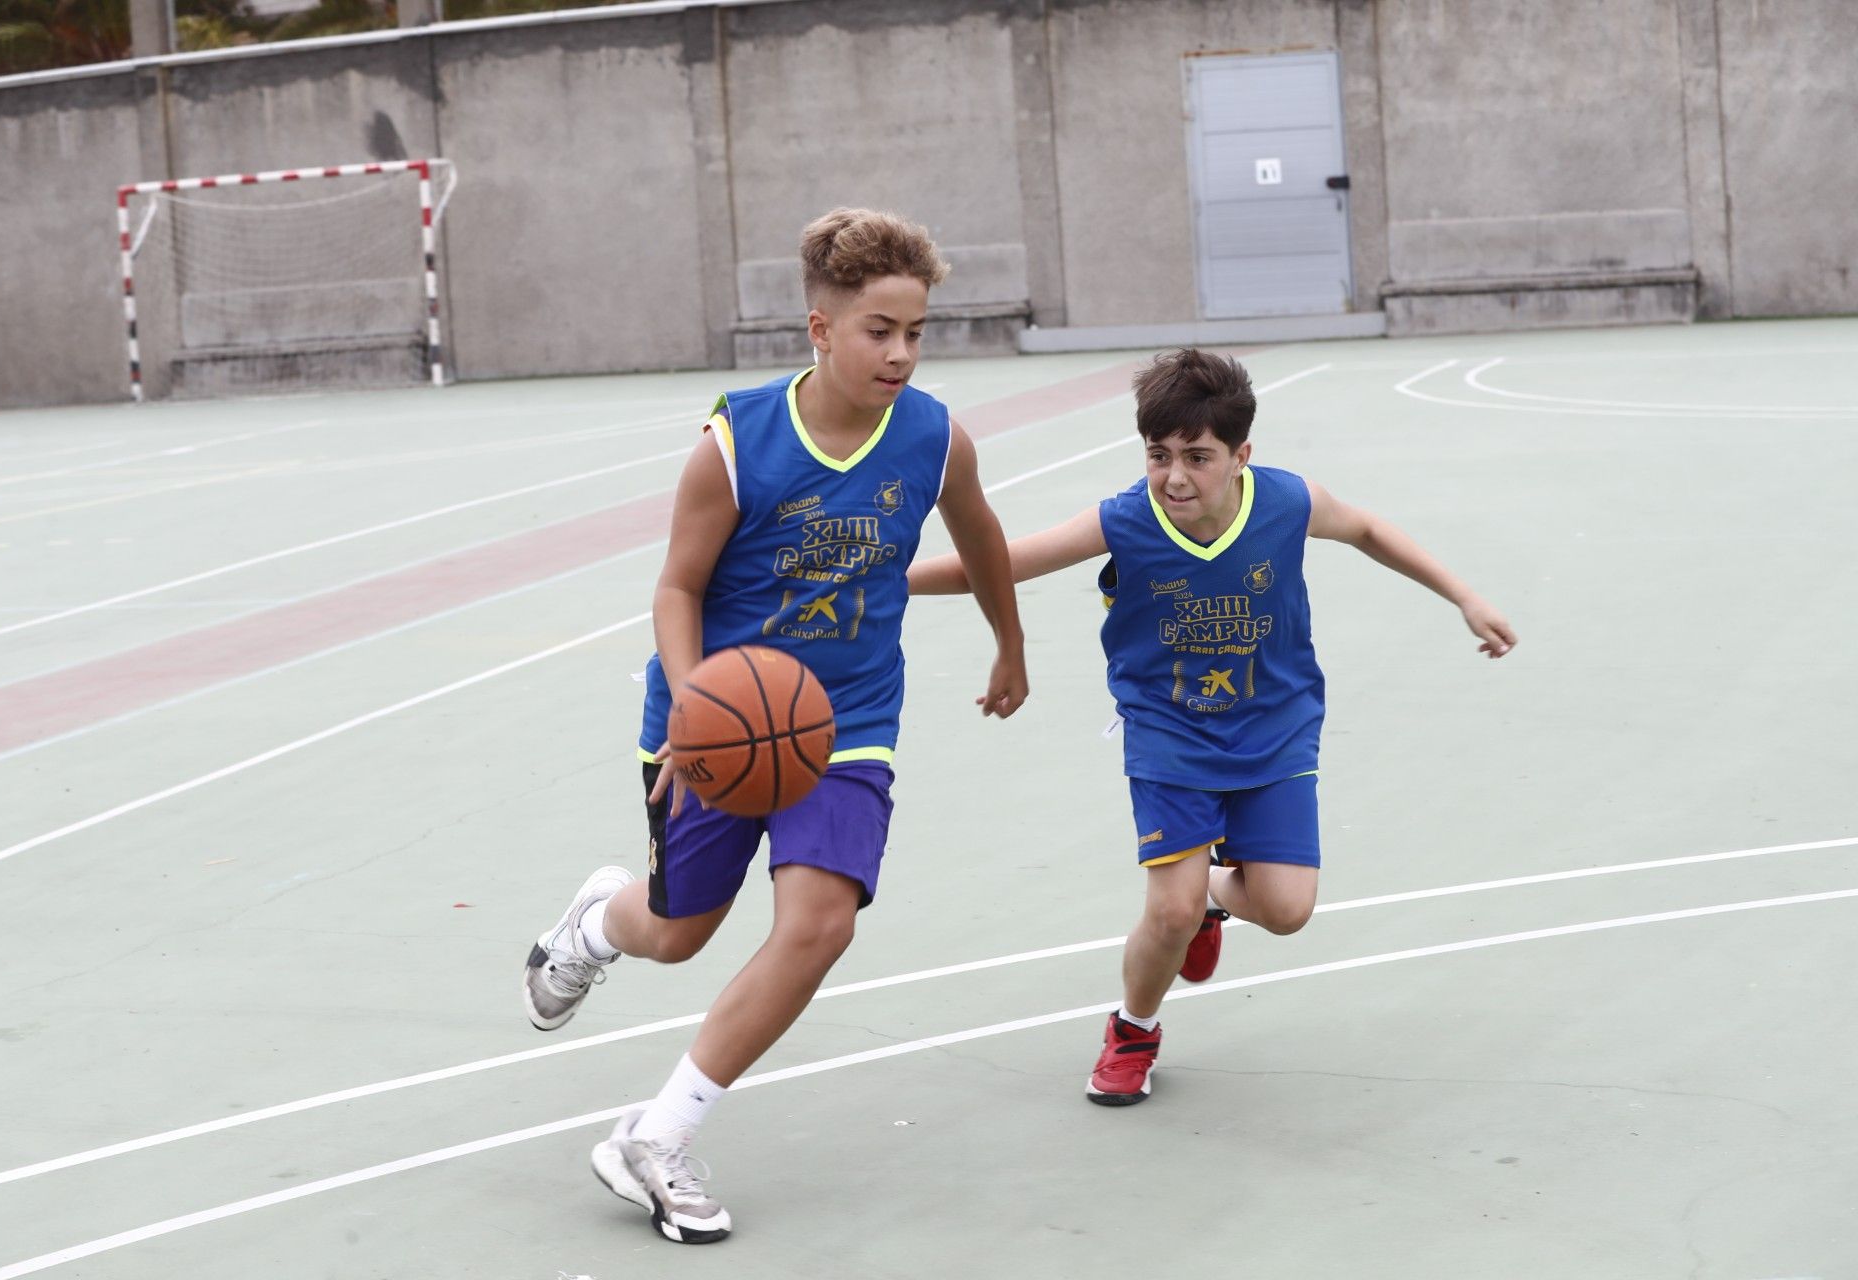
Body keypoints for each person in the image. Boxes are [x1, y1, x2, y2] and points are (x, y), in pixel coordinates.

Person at [520, 208, 1028, 1242]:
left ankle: (655, 1135)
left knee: (821, 921)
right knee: (677, 930)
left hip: (846, 722)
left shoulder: (933, 437)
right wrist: (692, 704)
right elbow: (675, 588)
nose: (900, 352)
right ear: (820, 328)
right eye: (879, 329)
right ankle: (593, 923)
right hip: (716, 716)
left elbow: (981, 536)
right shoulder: (737, 442)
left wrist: (1008, 642)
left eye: (916, 331)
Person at [907, 348, 1516, 1106]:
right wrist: (884, 577)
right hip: (1171, 732)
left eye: (1198, 457)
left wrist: (1462, 595)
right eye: (1159, 456)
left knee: (1290, 911)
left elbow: (1365, 529)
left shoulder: (1286, 503)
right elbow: (991, 562)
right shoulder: (1127, 520)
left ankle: (1214, 901)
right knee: (1167, 909)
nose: (1174, 478)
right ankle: (1134, 1028)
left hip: (1276, 725)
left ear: (1240, 457)